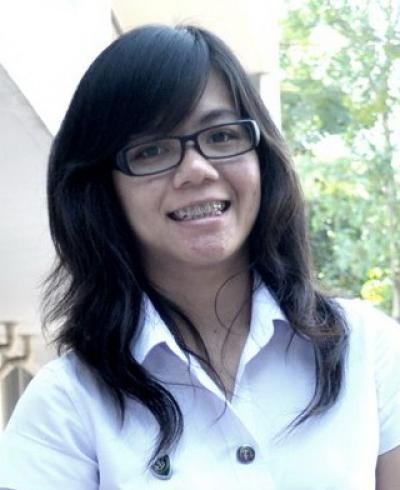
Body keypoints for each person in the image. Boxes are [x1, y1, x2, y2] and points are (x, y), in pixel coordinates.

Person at [0, 24, 399, 490]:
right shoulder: (66, 405)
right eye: (151, 149)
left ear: (262, 156)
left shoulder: (367, 349)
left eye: (222, 136)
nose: (197, 169)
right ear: (102, 189)